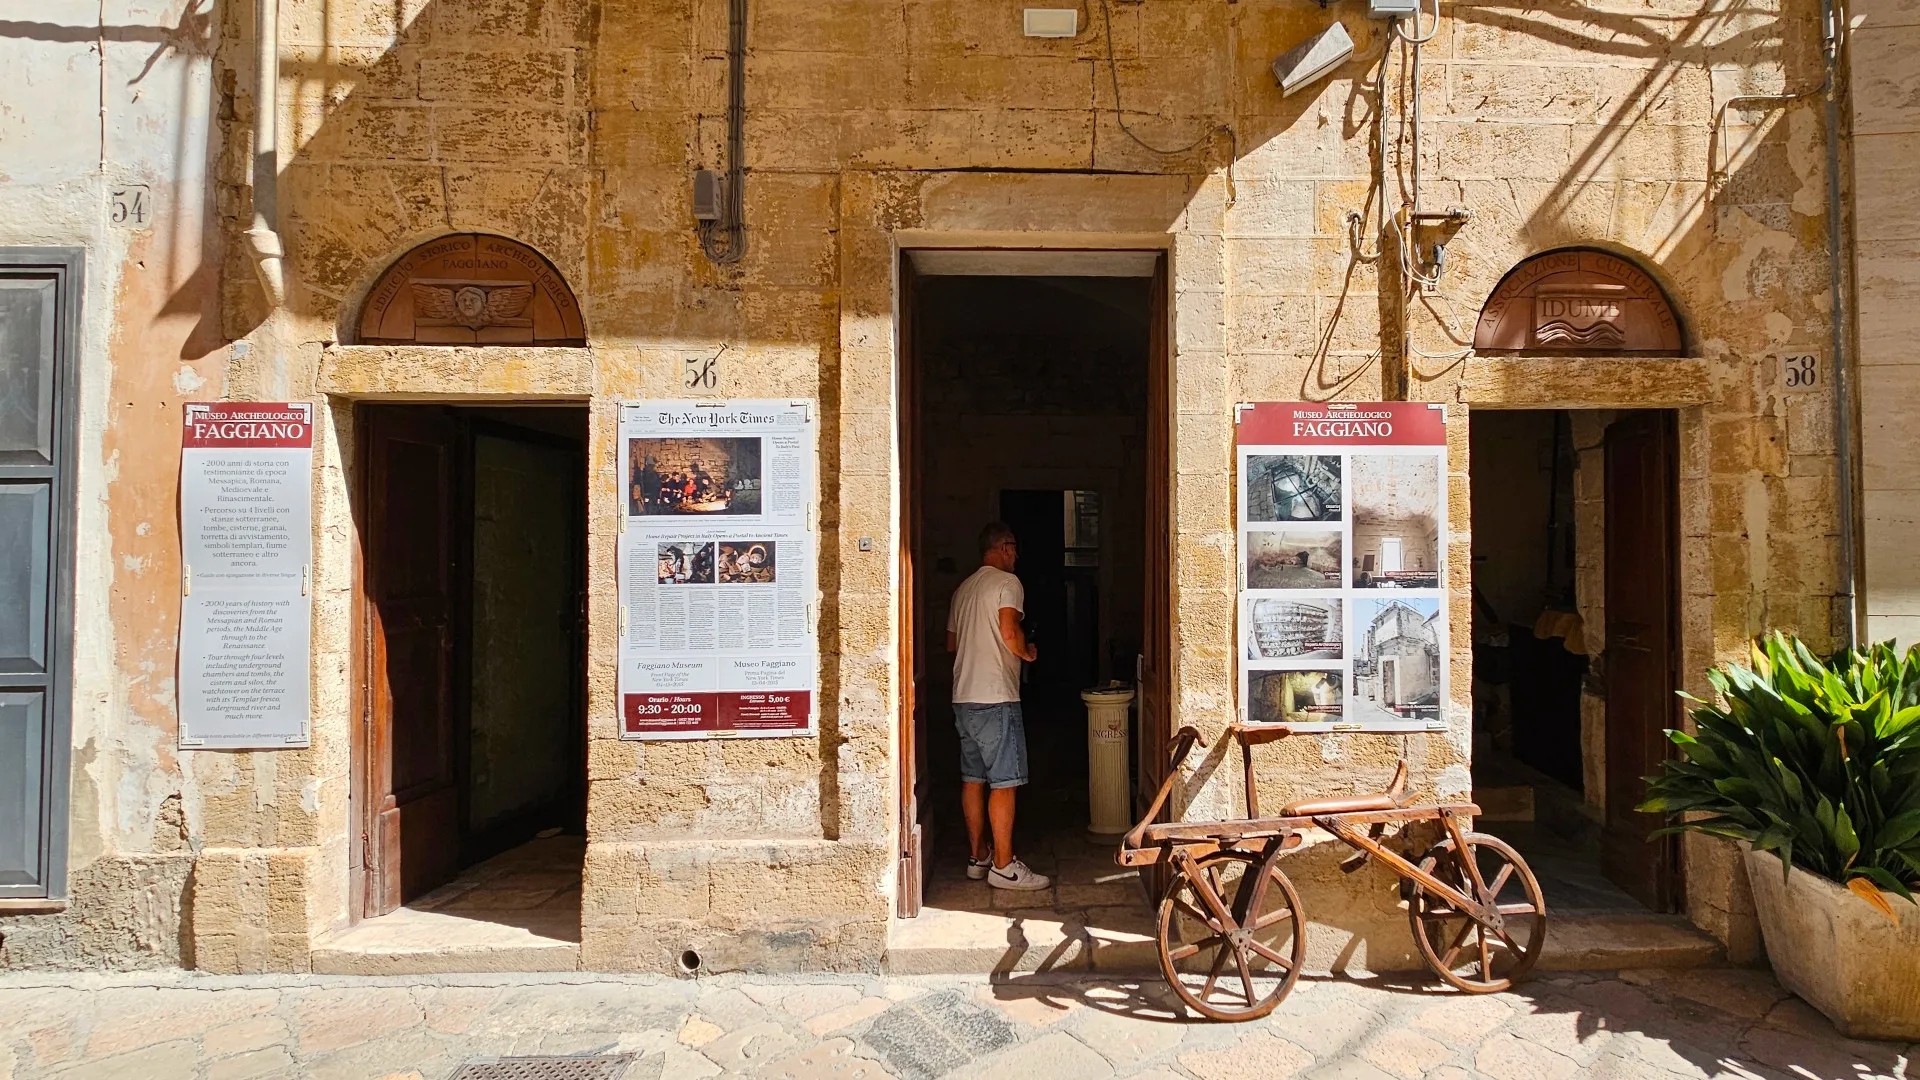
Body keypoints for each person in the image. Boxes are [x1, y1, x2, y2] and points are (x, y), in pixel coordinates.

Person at [946, 522, 1050, 891]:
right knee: (1004, 782)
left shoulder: (963, 589)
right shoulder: (1009, 584)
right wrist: (1027, 653)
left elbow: (952, 644)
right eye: (1015, 549)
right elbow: (1009, 631)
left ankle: (979, 856)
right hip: (996, 696)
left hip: (964, 696)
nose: (1017, 556)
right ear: (1004, 548)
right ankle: (1004, 866)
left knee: (972, 779)